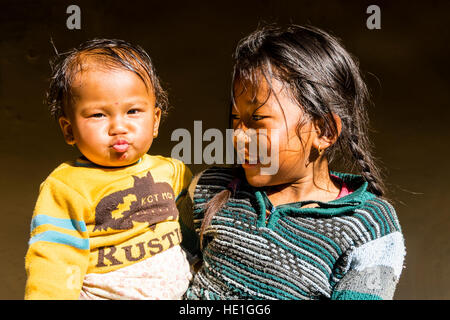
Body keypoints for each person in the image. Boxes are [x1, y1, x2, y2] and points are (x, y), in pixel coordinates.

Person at [179, 25, 406, 300]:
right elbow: (160, 274)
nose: (238, 136)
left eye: (257, 121)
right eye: (236, 120)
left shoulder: (369, 227)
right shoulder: (210, 188)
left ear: (324, 131)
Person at [25, 39, 192, 299]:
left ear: (156, 120)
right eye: (98, 115)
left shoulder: (173, 172)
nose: (118, 127)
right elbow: (53, 261)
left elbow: (194, 232)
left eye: (133, 111)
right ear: (69, 130)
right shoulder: (66, 186)